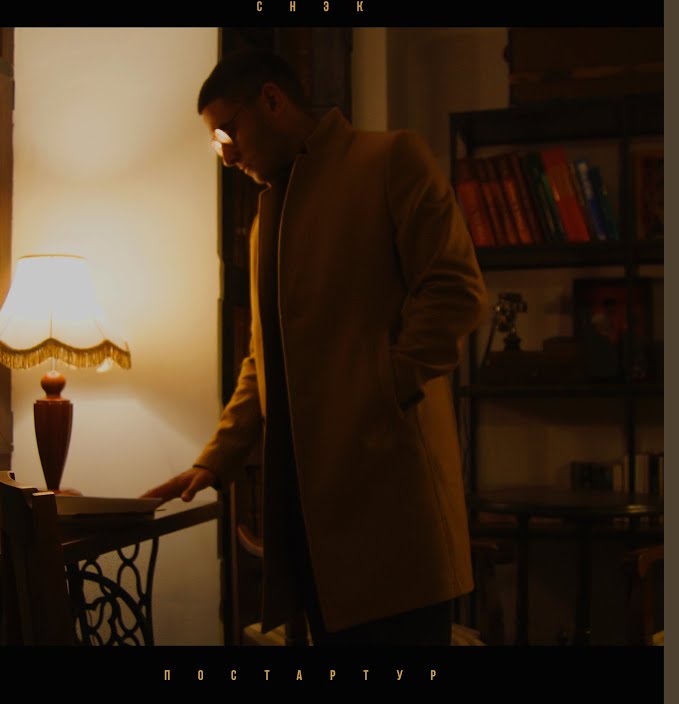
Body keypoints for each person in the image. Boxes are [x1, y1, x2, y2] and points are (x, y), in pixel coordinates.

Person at [142, 49, 487, 646]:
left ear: (272, 100)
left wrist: (382, 389)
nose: (226, 154)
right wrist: (214, 460)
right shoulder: (266, 217)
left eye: (228, 131)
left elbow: (455, 291)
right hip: (309, 516)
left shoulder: (390, 159)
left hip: (391, 497)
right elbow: (263, 359)